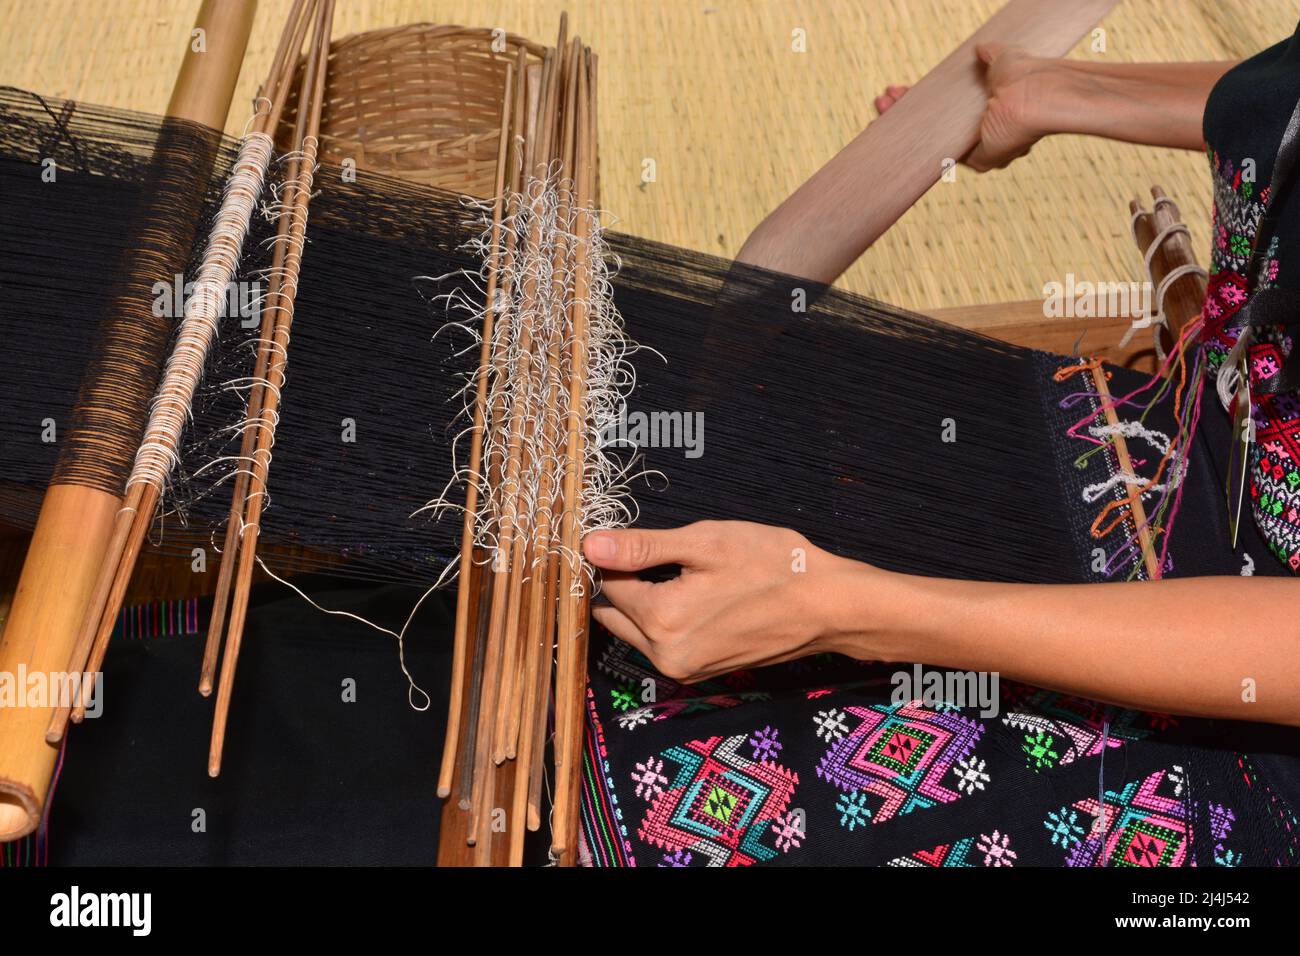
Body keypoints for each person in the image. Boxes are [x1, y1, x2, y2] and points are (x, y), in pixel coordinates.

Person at [576, 37, 1300, 867]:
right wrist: (1064, 92)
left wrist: (852, 610)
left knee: (682, 799)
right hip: (1192, 450)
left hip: (1259, 739)